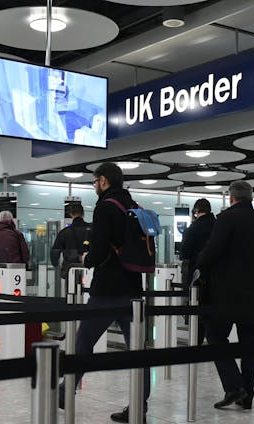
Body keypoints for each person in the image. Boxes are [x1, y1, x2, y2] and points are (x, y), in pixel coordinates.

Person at [58, 162, 151, 423]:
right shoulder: (133, 206)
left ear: (104, 181)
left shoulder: (105, 207)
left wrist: (87, 258)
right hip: (133, 287)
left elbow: (98, 251)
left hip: (107, 288)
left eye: (95, 181)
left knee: (84, 342)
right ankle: (139, 407)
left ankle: (66, 391)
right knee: (139, 350)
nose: (94, 185)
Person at [196, 181, 254, 411]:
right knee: (249, 344)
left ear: (231, 197)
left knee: (215, 337)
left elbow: (213, 251)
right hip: (251, 293)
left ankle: (234, 385)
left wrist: (200, 261)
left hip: (224, 293)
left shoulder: (227, 218)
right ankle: (247, 396)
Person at [180, 198, 216, 287]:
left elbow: (185, 253)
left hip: (196, 269)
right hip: (215, 271)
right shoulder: (218, 225)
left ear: (196, 210)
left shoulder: (193, 228)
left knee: (194, 297)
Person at [50, 203, 91, 280]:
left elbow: (55, 252)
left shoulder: (64, 232)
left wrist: (56, 266)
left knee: (70, 290)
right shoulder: (92, 230)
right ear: (83, 214)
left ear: (71, 214)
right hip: (88, 268)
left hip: (69, 269)